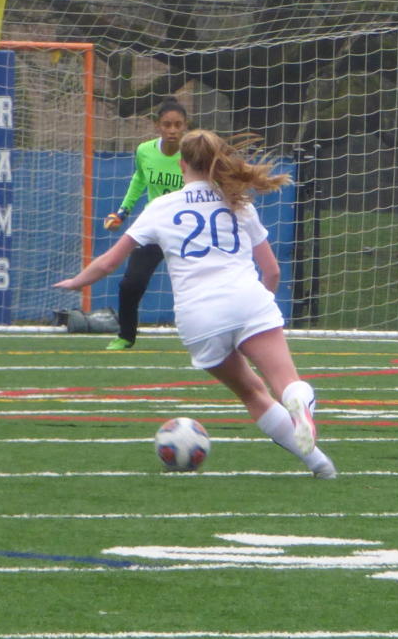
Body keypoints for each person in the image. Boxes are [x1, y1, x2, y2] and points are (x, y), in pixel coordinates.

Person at [57, 129, 335, 478]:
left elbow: (110, 262)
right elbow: (272, 270)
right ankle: (300, 404)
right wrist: (260, 306)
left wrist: (76, 281)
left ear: (182, 163)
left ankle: (320, 465)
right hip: (247, 299)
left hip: (199, 315)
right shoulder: (238, 201)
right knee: (285, 382)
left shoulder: (161, 207)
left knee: (252, 393)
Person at [100, 98, 190, 350]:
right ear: (157, 126)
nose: (172, 130)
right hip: (156, 227)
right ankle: (126, 335)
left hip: (188, 231)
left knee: (201, 284)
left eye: (178, 125)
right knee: (131, 283)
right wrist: (123, 212)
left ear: (185, 126)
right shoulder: (145, 151)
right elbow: (139, 179)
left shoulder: (194, 154)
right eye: (167, 124)